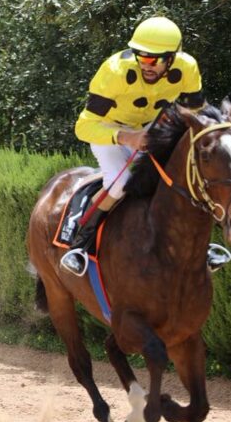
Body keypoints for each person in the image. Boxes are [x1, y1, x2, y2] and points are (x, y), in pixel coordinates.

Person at [60, 16, 210, 275]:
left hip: (152, 129)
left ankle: (202, 247)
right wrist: (127, 138)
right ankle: (80, 245)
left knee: (185, 176)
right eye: (141, 57)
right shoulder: (114, 72)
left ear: (173, 57)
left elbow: (196, 111)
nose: (146, 65)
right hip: (109, 130)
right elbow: (83, 127)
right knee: (121, 182)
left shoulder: (188, 68)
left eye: (155, 60)